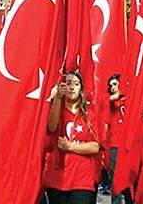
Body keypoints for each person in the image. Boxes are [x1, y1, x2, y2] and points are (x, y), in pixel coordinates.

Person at [44, 71, 101, 204]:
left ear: (81, 89)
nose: (71, 87)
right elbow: (51, 127)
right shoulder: (56, 108)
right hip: (57, 178)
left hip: (82, 179)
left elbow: (95, 146)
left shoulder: (89, 114)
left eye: (76, 84)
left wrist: (70, 147)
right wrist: (58, 98)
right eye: (68, 83)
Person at [105, 74, 127, 204]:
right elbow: (103, 100)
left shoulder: (130, 100)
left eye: (115, 84)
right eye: (110, 86)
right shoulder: (110, 103)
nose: (112, 87)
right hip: (115, 145)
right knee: (115, 179)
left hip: (129, 145)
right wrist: (121, 94)